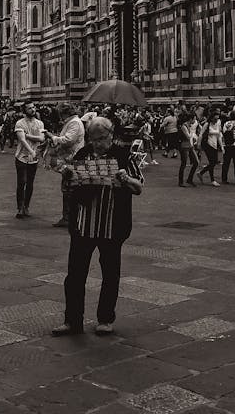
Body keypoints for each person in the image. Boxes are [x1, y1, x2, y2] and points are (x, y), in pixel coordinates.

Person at [52, 117, 143, 337]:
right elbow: (70, 187)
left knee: (110, 273)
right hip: (83, 224)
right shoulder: (83, 155)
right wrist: (68, 176)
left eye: (101, 139)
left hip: (112, 225)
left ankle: (105, 319)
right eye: (93, 139)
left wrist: (125, 179)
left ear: (111, 135)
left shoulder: (122, 156)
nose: (97, 144)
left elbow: (139, 186)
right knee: (74, 274)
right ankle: (72, 320)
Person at [45, 102, 85, 228]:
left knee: (69, 188)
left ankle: (70, 217)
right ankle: (68, 216)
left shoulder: (74, 123)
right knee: (67, 187)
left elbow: (68, 140)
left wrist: (53, 137)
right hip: (69, 158)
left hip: (72, 159)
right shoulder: (72, 122)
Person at [14, 101, 45, 219]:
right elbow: (21, 140)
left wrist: (28, 136)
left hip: (34, 158)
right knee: (22, 182)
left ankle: (26, 206)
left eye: (33, 107)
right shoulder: (20, 123)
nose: (33, 110)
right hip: (21, 157)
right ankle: (20, 207)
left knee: (30, 184)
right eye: (29, 108)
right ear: (24, 111)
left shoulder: (40, 123)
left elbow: (41, 139)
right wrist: (31, 150)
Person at [198, 109, 223, 185]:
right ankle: (212, 180)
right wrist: (198, 144)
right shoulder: (207, 124)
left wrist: (221, 146)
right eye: (215, 119)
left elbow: (219, 136)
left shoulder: (218, 124)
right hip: (207, 144)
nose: (216, 120)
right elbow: (201, 134)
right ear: (211, 118)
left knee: (213, 162)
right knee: (213, 162)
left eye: (217, 119)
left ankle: (201, 173)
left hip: (214, 144)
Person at [177, 111, 200, 187]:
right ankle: (181, 181)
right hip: (184, 146)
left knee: (196, 162)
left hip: (190, 146)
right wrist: (193, 132)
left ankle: (189, 179)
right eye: (194, 119)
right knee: (183, 163)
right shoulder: (184, 126)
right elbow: (188, 136)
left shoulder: (189, 125)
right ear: (190, 119)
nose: (195, 121)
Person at [221, 111, 235, 185]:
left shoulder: (226, 124)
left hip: (227, 144)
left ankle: (224, 179)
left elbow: (224, 132)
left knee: (226, 163)